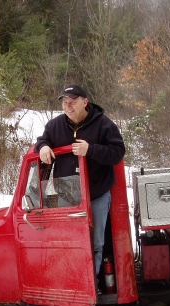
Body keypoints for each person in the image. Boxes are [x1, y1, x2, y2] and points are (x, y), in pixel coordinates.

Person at [34, 84, 126, 282]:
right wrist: (42, 147)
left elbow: (118, 153)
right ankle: (72, 281)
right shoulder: (55, 126)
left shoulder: (104, 124)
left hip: (97, 195)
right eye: (65, 103)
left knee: (96, 242)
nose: (68, 106)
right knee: (70, 241)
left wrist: (91, 150)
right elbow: (41, 141)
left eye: (72, 102)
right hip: (68, 197)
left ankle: (89, 284)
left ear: (85, 102)